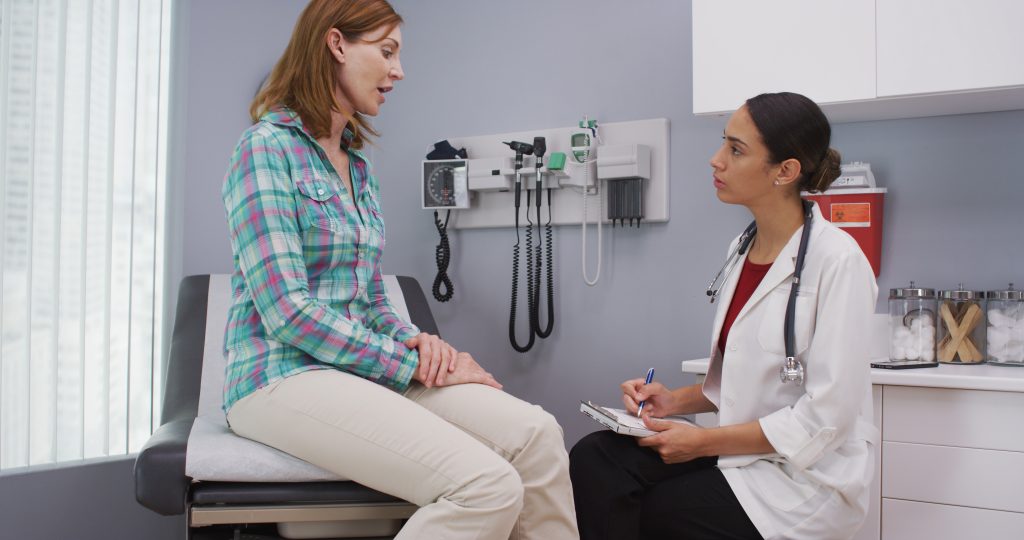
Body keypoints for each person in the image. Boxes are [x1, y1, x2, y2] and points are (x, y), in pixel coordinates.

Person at [220, 1, 579, 538]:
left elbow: (368, 296)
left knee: (538, 434)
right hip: (279, 376)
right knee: (486, 485)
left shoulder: (356, 165)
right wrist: (403, 363)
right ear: (337, 45)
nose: (398, 71)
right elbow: (288, 312)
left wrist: (424, 347)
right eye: (387, 51)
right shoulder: (265, 149)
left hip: (357, 367)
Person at [569, 92, 879, 540]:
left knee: (661, 511)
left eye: (736, 150)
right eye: (723, 144)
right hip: (741, 453)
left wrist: (702, 442)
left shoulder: (838, 262)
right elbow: (738, 384)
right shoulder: (740, 249)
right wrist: (672, 402)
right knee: (597, 458)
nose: (716, 161)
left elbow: (824, 420)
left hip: (805, 479)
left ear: (785, 171)